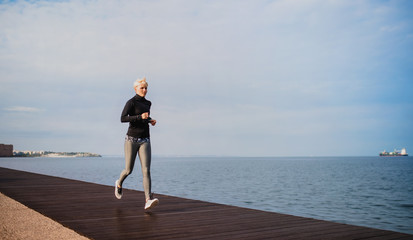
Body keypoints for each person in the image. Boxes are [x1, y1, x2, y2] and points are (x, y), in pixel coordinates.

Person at [115, 77, 159, 210]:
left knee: (146, 170)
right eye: (142, 88)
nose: (144, 90)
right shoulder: (131, 102)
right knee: (129, 170)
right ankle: (119, 183)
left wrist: (150, 120)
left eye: (146, 88)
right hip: (131, 140)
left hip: (145, 140)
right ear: (135, 89)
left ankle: (148, 199)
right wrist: (141, 117)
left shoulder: (148, 103)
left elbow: (144, 118)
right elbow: (123, 118)